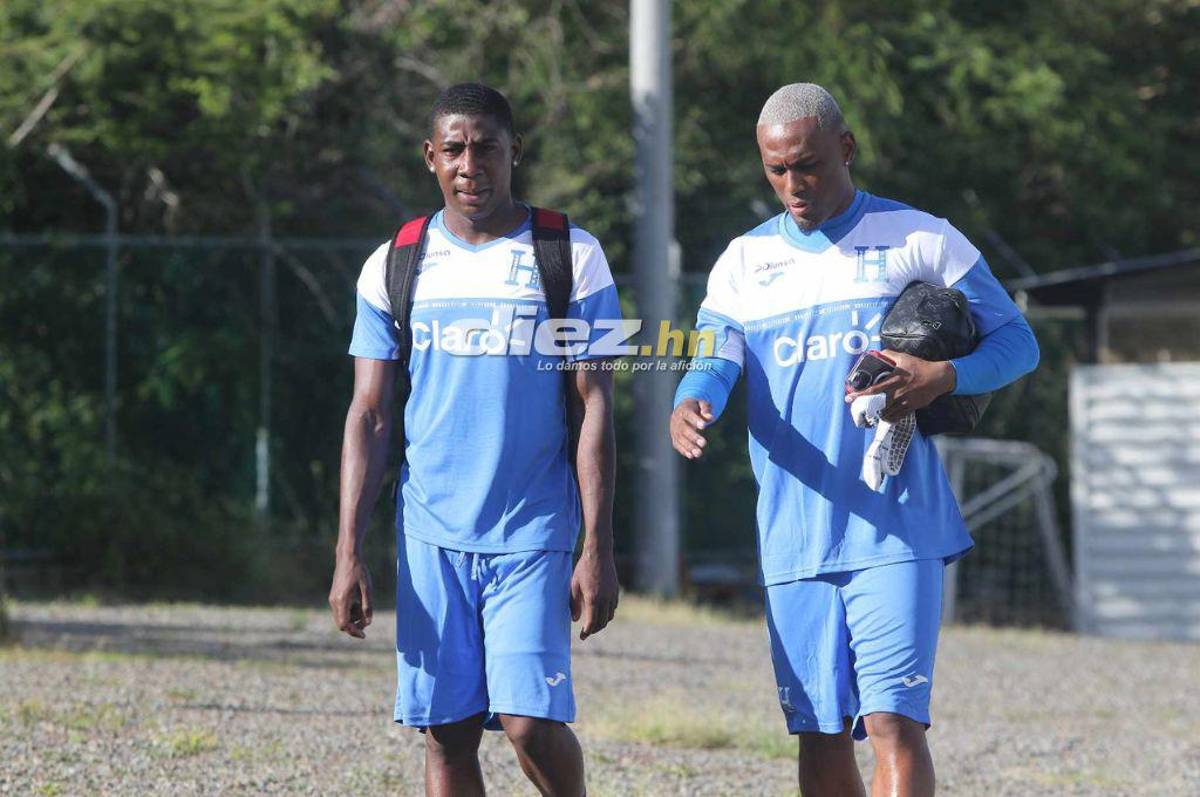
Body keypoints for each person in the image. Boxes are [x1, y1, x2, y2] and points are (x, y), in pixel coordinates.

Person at [670, 83, 1039, 797]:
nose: (793, 184)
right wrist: (692, 397)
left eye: (807, 165)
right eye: (776, 169)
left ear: (846, 148)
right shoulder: (744, 261)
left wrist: (943, 375)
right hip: (794, 530)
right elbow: (715, 353)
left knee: (894, 721)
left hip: (896, 524)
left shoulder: (919, 236)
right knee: (818, 731)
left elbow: (1018, 343)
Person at [330, 82, 621, 797]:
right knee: (448, 733)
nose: (470, 165)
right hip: (431, 532)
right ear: (430, 157)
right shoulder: (394, 261)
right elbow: (369, 414)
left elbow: (595, 406)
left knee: (529, 722)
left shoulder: (571, 252)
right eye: (454, 149)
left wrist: (597, 546)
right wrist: (347, 551)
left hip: (533, 528)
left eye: (486, 147)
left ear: (513, 151)